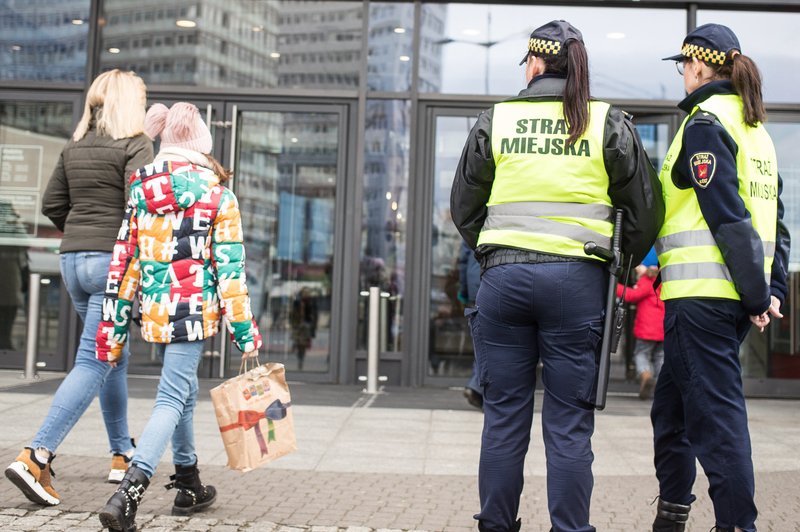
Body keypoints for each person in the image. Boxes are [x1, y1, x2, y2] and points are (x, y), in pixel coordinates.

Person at [451, 20, 664, 532]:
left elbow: (464, 207)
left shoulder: (495, 121)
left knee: (503, 420)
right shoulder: (608, 123)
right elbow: (645, 212)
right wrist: (616, 265)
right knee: (569, 427)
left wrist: (492, 253)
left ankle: (495, 525)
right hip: (577, 285)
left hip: (504, 282)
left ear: (535, 63)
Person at [94, 102, 263, 532]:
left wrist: (111, 335)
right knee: (171, 398)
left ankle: (189, 481)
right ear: (201, 148)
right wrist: (245, 332)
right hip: (191, 314)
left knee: (183, 392)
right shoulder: (217, 196)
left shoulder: (139, 191)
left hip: (155, 311)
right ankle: (129, 491)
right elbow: (230, 271)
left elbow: (123, 266)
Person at [650, 24, 790, 532]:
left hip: (702, 300)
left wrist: (759, 295)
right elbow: (777, 220)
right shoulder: (756, 131)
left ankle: (737, 525)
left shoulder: (706, 125)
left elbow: (728, 216)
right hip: (724, 300)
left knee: (716, 422)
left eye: (684, 66)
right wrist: (771, 288)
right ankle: (671, 514)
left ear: (701, 67)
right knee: (671, 414)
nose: (682, 75)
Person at [4, 69, 152, 506]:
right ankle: (37, 454)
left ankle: (122, 453)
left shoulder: (75, 147)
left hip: (73, 260)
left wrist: (83, 231)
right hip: (112, 263)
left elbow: (53, 204)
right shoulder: (136, 144)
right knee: (94, 360)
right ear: (131, 103)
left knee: (112, 357)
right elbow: (139, 206)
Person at [616, 247, 663, 400]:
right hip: (662, 330)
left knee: (641, 354)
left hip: (647, 329)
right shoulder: (665, 281)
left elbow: (632, 295)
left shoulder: (647, 281)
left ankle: (645, 375)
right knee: (660, 357)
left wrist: (614, 286)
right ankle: (662, 385)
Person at [457, 240, 483, 410]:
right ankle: (476, 385)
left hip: (475, 287)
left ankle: (477, 386)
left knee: (480, 341)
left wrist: (463, 292)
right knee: (490, 344)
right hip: (493, 282)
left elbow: (463, 260)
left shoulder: (474, 221)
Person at [290, 286, 318, 370]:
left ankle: (301, 358)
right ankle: (298, 352)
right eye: (304, 293)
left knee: (303, 344)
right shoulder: (297, 302)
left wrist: (313, 327)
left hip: (306, 325)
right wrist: (294, 323)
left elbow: (314, 315)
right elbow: (292, 314)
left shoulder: (311, 303)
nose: (306, 295)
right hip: (298, 325)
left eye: (307, 293)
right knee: (299, 342)